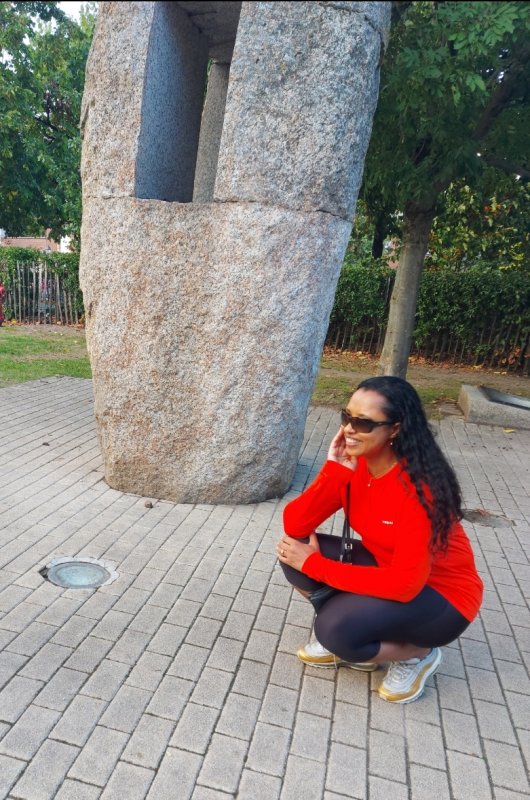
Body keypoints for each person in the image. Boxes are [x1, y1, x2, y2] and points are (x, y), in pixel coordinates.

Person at [277, 376, 483, 704]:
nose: (349, 429)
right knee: (293, 549)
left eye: (363, 423)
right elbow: (295, 523)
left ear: (394, 429)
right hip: (387, 567)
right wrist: (334, 470)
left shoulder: (419, 490)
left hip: (441, 595)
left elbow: (404, 584)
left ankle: (416, 654)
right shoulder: (357, 465)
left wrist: (316, 565)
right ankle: (359, 631)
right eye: (346, 417)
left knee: (333, 630)